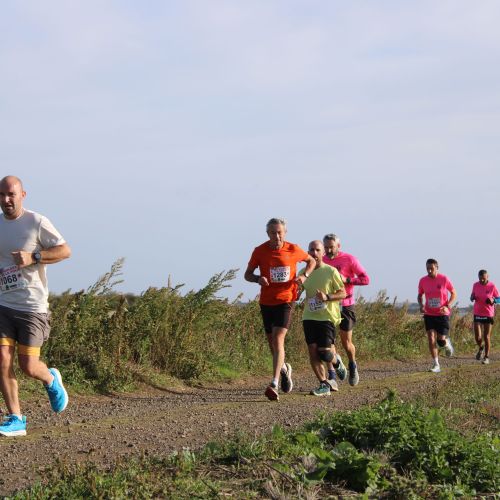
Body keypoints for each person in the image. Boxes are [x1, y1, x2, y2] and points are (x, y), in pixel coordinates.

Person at [0, 176, 71, 437]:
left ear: (23, 195)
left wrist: (34, 257)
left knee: (29, 366)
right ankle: (16, 418)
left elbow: (64, 250)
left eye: (11, 194)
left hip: (32, 307)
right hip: (3, 304)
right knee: (2, 359)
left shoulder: (36, 222)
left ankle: (50, 378)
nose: (6, 200)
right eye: (2, 195)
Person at [244, 218, 315, 401]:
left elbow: (311, 261)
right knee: (272, 345)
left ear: (285, 232)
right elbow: (247, 274)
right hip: (267, 301)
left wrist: (304, 276)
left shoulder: (293, 249)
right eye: (273, 232)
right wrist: (257, 279)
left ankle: (274, 383)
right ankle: (284, 369)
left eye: (279, 232)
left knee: (278, 339)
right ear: (267, 233)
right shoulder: (259, 251)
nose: (276, 236)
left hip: (286, 299)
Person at [299, 240, 347, 397]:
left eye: (317, 250)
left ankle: (337, 361)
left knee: (325, 353)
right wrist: (294, 292)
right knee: (313, 351)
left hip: (326, 317)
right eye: (311, 250)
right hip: (309, 316)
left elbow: (343, 293)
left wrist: (327, 297)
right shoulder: (304, 272)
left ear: (323, 253)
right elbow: (298, 291)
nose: (314, 253)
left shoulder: (331, 271)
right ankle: (324, 384)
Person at [322, 234, 369, 386]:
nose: (328, 250)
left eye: (331, 247)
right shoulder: (322, 260)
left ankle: (352, 364)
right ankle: (332, 374)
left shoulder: (349, 259)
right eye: (326, 247)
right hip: (328, 304)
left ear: (338, 246)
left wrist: (347, 280)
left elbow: (365, 279)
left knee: (346, 343)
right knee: (327, 342)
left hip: (346, 304)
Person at [417, 258, 457, 373]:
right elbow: (420, 295)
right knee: (431, 338)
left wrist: (448, 306)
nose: (429, 271)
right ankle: (436, 364)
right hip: (429, 313)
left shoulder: (444, 279)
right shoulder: (423, 280)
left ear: (437, 268)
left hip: (442, 314)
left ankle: (446, 344)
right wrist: (421, 305)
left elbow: (453, 293)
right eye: (427, 269)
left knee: (440, 341)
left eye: (432, 268)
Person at [470, 270, 498, 365]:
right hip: (477, 312)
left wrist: (493, 300)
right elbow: (472, 295)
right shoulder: (475, 285)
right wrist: (472, 297)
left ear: (487, 277)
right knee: (478, 337)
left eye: (484, 278)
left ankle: (486, 357)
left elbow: (498, 299)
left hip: (488, 313)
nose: (482, 280)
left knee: (486, 336)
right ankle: (481, 347)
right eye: (480, 278)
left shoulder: (492, 286)